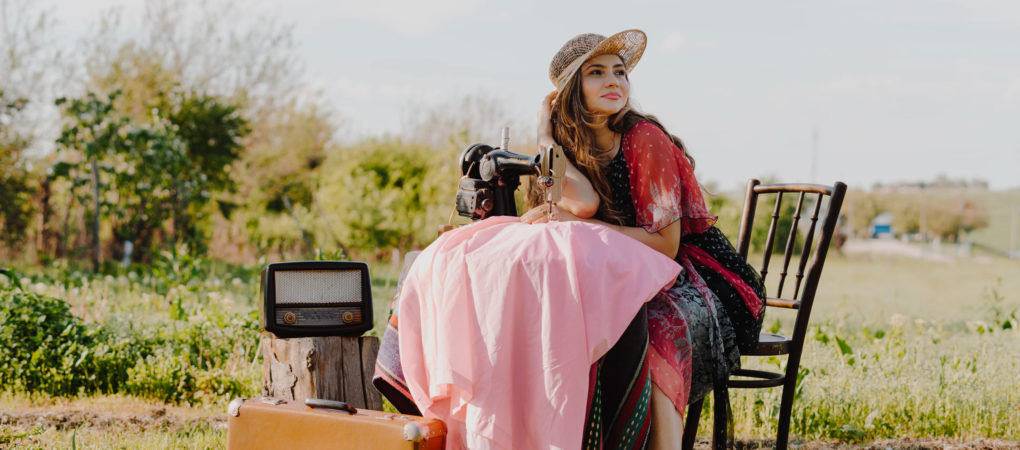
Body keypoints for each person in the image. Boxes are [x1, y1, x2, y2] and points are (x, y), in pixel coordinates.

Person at [518, 29, 767, 448]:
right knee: (564, 320)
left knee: (645, 327)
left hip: (700, 279)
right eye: (596, 73)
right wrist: (545, 137)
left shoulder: (644, 138)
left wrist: (581, 226)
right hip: (631, 277)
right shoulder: (567, 149)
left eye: (620, 72)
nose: (614, 81)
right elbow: (582, 204)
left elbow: (666, 245)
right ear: (570, 92)